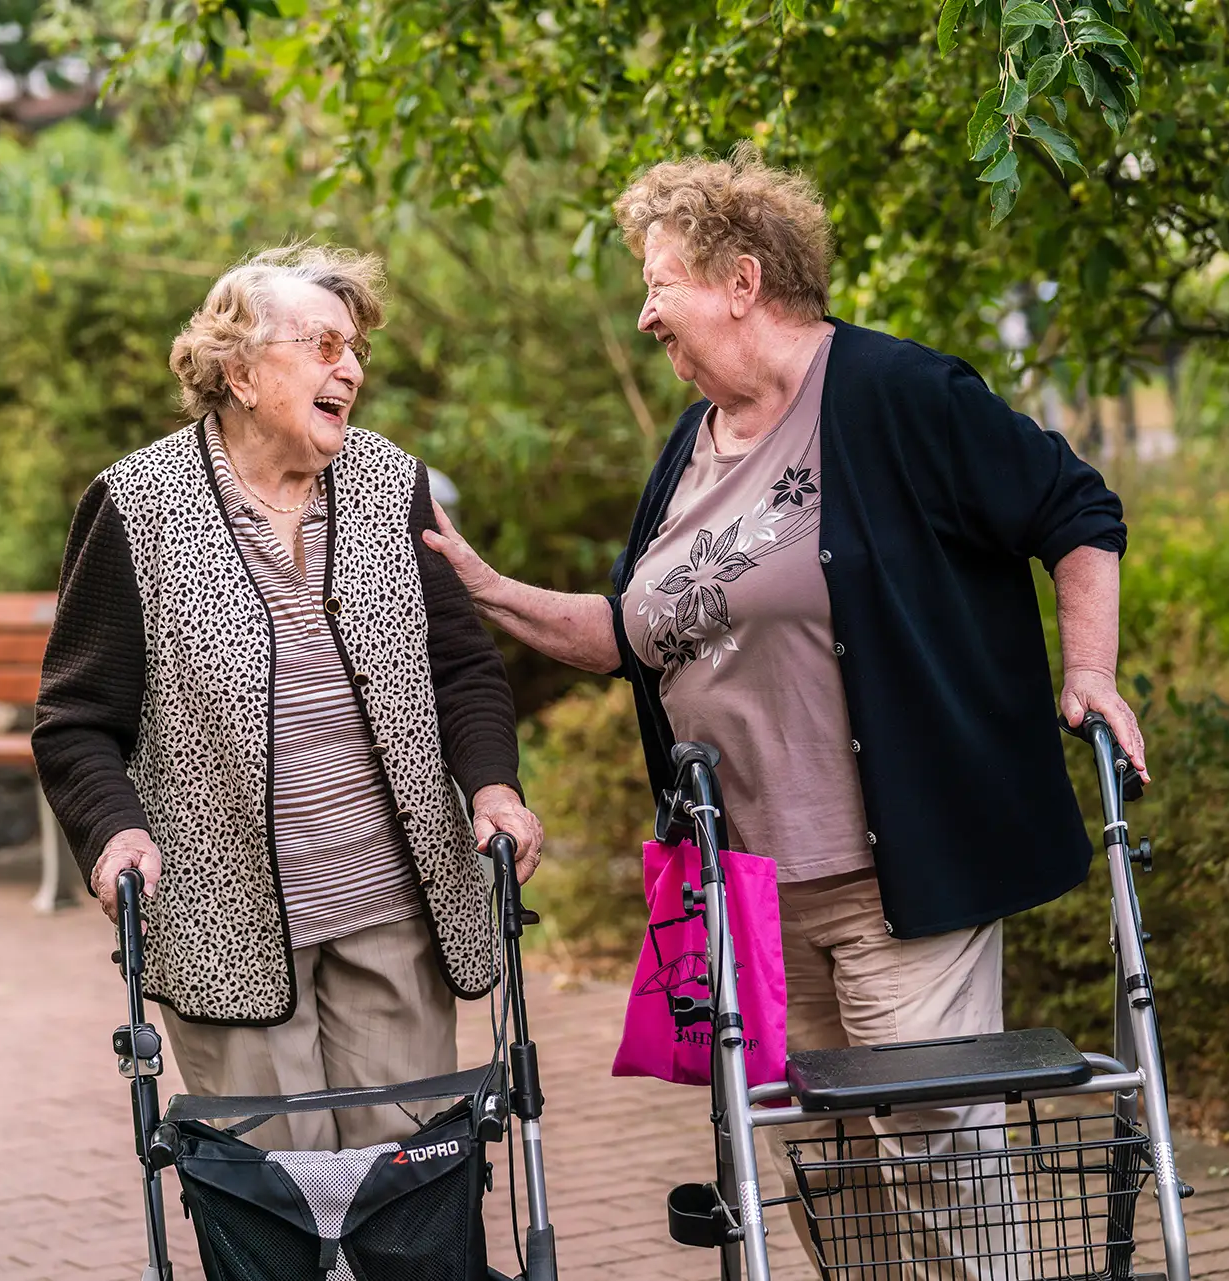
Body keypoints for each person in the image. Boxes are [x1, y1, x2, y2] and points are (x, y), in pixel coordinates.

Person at [423, 149, 1146, 1271]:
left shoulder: (894, 393)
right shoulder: (693, 447)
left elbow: (1075, 509)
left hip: (900, 884)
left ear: (743, 281)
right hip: (753, 895)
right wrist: (475, 579)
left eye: (660, 282)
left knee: (941, 1171)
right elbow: (627, 633)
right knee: (828, 1181)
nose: (646, 312)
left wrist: (1090, 672)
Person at [33, 244, 545, 1152]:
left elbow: (461, 668)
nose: (347, 368)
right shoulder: (136, 504)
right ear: (237, 370)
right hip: (226, 919)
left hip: (395, 908)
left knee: (410, 1187)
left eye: (353, 350)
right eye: (321, 345)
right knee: (280, 1198)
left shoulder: (394, 484)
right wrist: (114, 831)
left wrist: (494, 786)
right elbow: (76, 718)